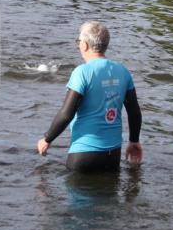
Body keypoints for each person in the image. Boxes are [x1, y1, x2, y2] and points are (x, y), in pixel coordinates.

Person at [37, 21, 142, 173]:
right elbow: (134, 112)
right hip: (113, 155)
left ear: (85, 45)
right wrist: (134, 141)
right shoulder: (123, 71)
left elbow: (66, 114)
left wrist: (47, 139)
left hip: (83, 155)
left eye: (78, 41)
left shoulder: (82, 72)